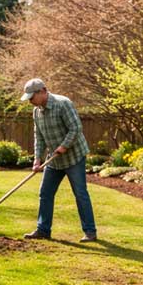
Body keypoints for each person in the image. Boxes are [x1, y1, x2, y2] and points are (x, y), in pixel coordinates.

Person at [20, 78, 97, 242]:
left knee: (80, 193)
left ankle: (90, 232)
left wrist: (64, 146)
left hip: (74, 156)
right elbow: (39, 137)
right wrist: (37, 160)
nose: (30, 101)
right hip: (54, 160)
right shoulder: (37, 111)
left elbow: (75, 128)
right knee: (45, 193)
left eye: (32, 97)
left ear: (42, 91)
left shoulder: (63, 104)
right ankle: (43, 230)